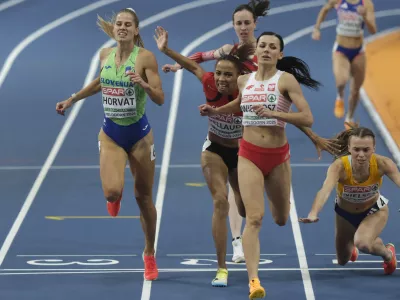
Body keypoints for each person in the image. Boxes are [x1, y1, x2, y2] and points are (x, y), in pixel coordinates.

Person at [199, 31, 324, 299]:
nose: (266, 50)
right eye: (262, 46)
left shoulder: (286, 80)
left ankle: (274, 196)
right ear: (256, 52)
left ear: (279, 54)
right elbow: (239, 104)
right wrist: (216, 111)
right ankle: (254, 281)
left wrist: (276, 113)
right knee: (254, 218)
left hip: (277, 156)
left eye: (272, 47)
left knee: (280, 218)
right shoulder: (244, 80)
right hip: (249, 154)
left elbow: (308, 117)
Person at [55, 8, 164, 281]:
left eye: (128, 24)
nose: (123, 28)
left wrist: (143, 84)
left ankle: (149, 253)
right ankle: (115, 194)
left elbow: (160, 98)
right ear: (114, 29)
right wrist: (72, 99)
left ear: (136, 30)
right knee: (112, 193)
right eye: (119, 24)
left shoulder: (146, 58)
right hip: (112, 134)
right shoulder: (105, 55)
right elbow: (99, 83)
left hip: (139, 135)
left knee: (144, 199)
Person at [162, 0, 271, 263]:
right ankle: (236, 243)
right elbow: (199, 59)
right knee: (226, 196)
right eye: (238, 23)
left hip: (255, 127)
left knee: (250, 202)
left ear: (256, 23)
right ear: (233, 26)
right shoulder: (228, 52)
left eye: (247, 23)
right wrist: (179, 65)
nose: (243, 28)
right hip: (225, 130)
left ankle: (248, 231)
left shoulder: (268, 53)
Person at [155, 25, 255, 287]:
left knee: (246, 209)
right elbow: (191, 65)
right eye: (219, 73)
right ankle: (221, 268)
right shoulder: (209, 82)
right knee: (221, 203)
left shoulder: (249, 90)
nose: (221, 79)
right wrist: (166, 50)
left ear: (239, 76)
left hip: (242, 153)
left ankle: (245, 240)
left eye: (227, 75)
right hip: (214, 149)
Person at [299, 126, 398, 275]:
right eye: (357, 149)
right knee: (342, 261)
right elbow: (325, 190)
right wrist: (313, 212)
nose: (361, 155)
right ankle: (362, 242)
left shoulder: (383, 164)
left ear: (374, 148)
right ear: (349, 148)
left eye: (366, 150)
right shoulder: (339, 166)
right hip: (344, 214)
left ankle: (388, 255)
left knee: (363, 242)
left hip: (374, 210)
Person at [311, 0, 377, 129]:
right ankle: (340, 96)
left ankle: (349, 117)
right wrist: (317, 28)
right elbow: (325, 9)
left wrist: (364, 16)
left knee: (355, 90)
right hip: (341, 50)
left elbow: (373, 30)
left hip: (358, 51)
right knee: (341, 81)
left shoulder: (367, 4)